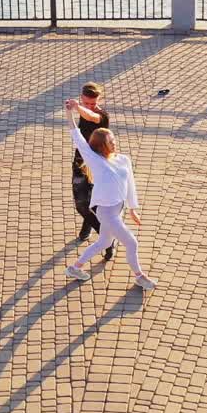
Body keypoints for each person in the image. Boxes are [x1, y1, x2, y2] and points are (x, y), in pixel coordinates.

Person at [62, 99, 156, 291]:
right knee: (131, 242)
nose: (115, 143)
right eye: (111, 142)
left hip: (118, 209)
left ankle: (75, 268)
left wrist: (132, 209)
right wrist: (70, 113)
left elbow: (130, 183)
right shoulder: (95, 160)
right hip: (106, 212)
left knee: (104, 242)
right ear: (101, 146)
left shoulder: (123, 159)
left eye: (114, 140)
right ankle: (139, 276)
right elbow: (77, 137)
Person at [70, 82, 115, 260]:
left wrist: (78, 107)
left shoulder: (102, 116)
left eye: (93, 103)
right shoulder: (82, 109)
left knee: (91, 202)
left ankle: (107, 239)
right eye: (86, 103)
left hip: (98, 165)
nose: (91, 107)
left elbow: (90, 116)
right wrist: (74, 109)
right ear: (82, 98)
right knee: (82, 202)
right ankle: (90, 226)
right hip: (81, 162)